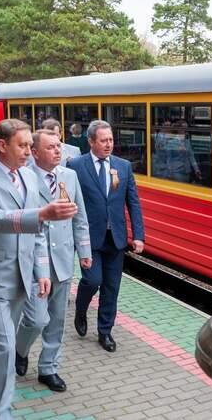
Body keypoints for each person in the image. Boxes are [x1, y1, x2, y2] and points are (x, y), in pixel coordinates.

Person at [0, 119, 79, 420]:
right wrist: (42, 212)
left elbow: (37, 233)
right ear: (2, 145)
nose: (29, 152)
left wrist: (41, 271)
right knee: (4, 349)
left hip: (22, 280)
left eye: (29, 145)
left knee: (0, 351)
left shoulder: (27, 176)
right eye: (23, 145)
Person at [15, 129, 91, 392]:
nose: (58, 151)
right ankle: (20, 350)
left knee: (57, 320)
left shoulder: (69, 176)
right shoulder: (24, 178)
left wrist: (84, 252)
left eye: (59, 146)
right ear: (34, 152)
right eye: (51, 147)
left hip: (62, 260)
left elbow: (78, 217)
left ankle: (48, 368)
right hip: (34, 262)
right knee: (36, 319)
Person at [67, 120, 145, 352]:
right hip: (88, 237)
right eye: (103, 140)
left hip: (116, 238)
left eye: (110, 140)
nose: (108, 144)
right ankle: (81, 310)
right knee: (93, 280)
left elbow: (133, 202)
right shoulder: (76, 165)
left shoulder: (123, 166)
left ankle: (105, 332)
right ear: (91, 141)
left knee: (111, 287)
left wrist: (138, 235)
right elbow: (68, 200)